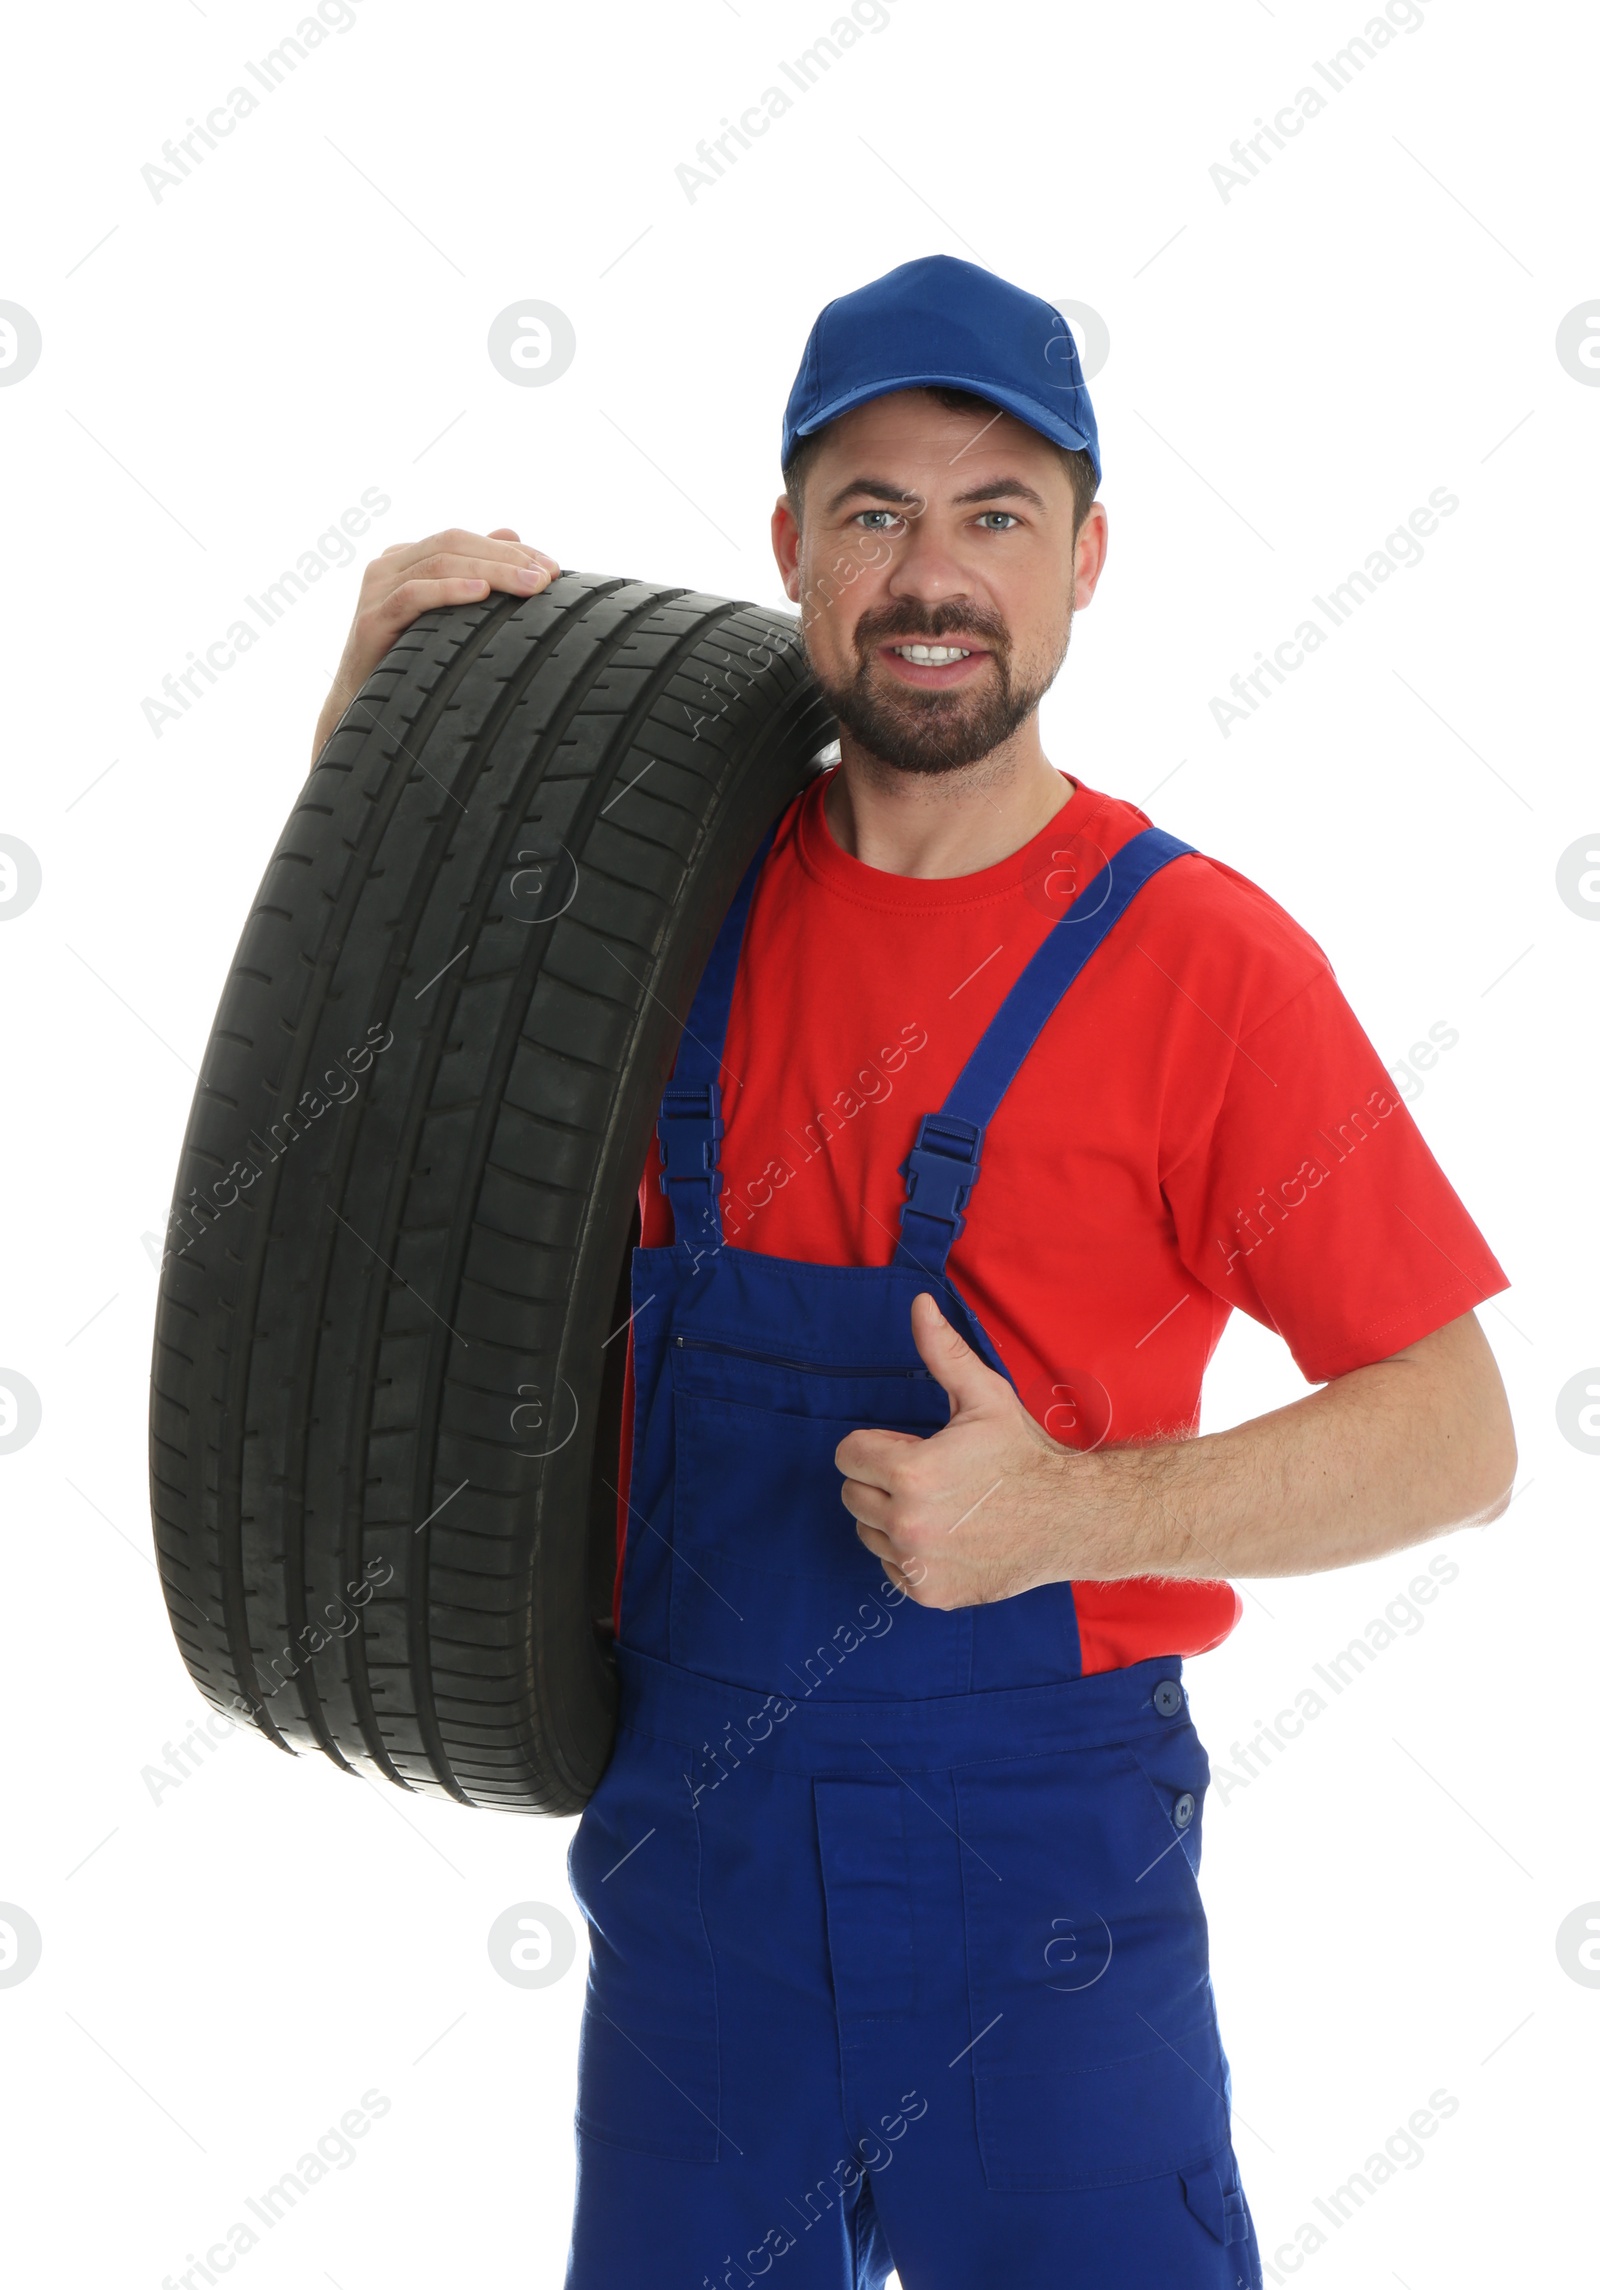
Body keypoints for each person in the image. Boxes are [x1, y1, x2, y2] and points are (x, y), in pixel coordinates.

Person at [318, 256, 1516, 2290]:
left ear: (1084, 560)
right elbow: (357, 1129)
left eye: (993, 514)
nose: (929, 572)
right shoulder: (640, 911)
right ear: (787, 550)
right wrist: (381, 713)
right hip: (695, 1879)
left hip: (1042, 1894)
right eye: (871, 510)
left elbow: (1454, 1434)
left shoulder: (1205, 966)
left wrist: (1067, 1506)